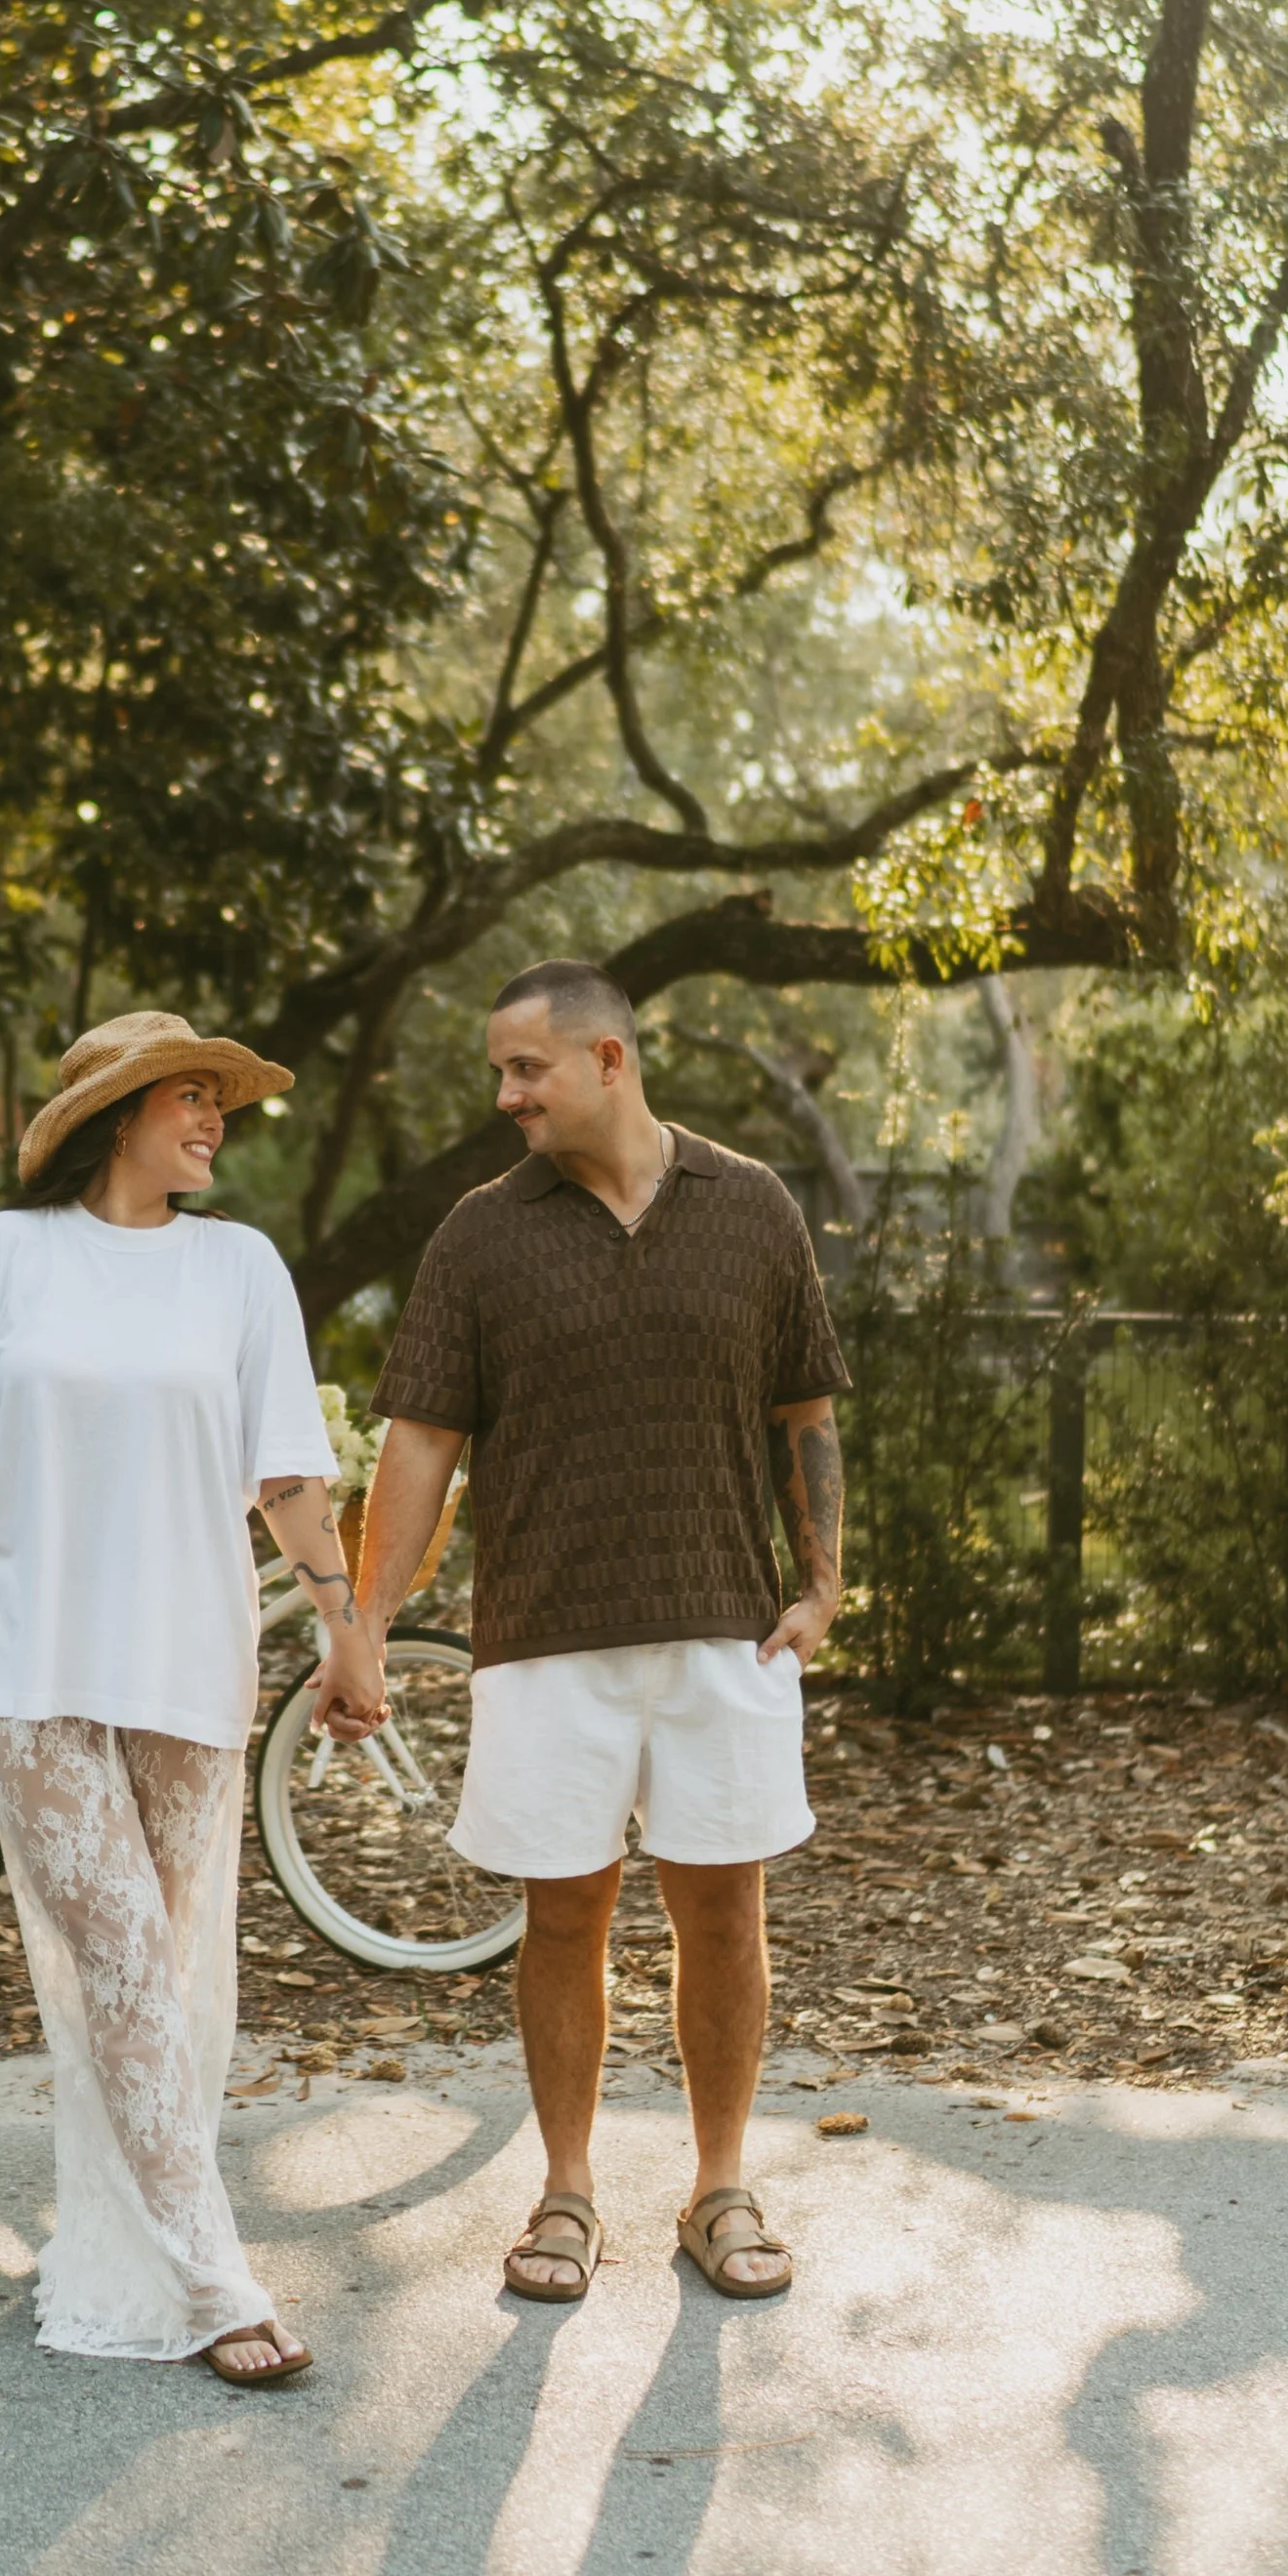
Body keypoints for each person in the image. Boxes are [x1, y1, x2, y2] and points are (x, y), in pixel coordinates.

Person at [0, 1009, 387, 2387]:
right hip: (34, 1657)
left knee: (160, 1979)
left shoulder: (241, 1268)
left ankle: (122, 2240)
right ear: (117, 1116)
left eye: (221, 1101)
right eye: (189, 1095)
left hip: (186, 1655)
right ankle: (219, 2277)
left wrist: (347, 1628)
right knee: (120, 1957)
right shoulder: (10, 1255)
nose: (215, 1119)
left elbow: (291, 1474)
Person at [353, 959, 846, 2306]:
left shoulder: (751, 1208)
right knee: (562, 1917)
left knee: (724, 1913)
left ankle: (720, 2183)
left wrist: (823, 1582)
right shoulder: (479, 1236)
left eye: (527, 1068)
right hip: (545, 1633)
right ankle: (567, 2190)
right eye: (500, 1070)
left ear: (610, 1061)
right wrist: (366, 1624)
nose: (506, 1094)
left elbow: (806, 1408)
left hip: (722, 1631)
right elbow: (420, 1447)